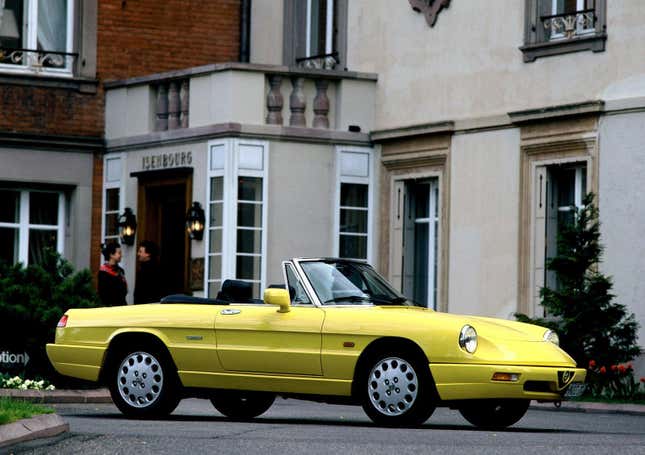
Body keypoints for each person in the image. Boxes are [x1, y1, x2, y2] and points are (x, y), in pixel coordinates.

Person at [98, 241, 127, 306]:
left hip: (122, 306)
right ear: (111, 254)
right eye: (119, 253)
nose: (121, 255)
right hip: (111, 309)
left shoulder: (121, 271)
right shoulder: (103, 273)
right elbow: (103, 295)